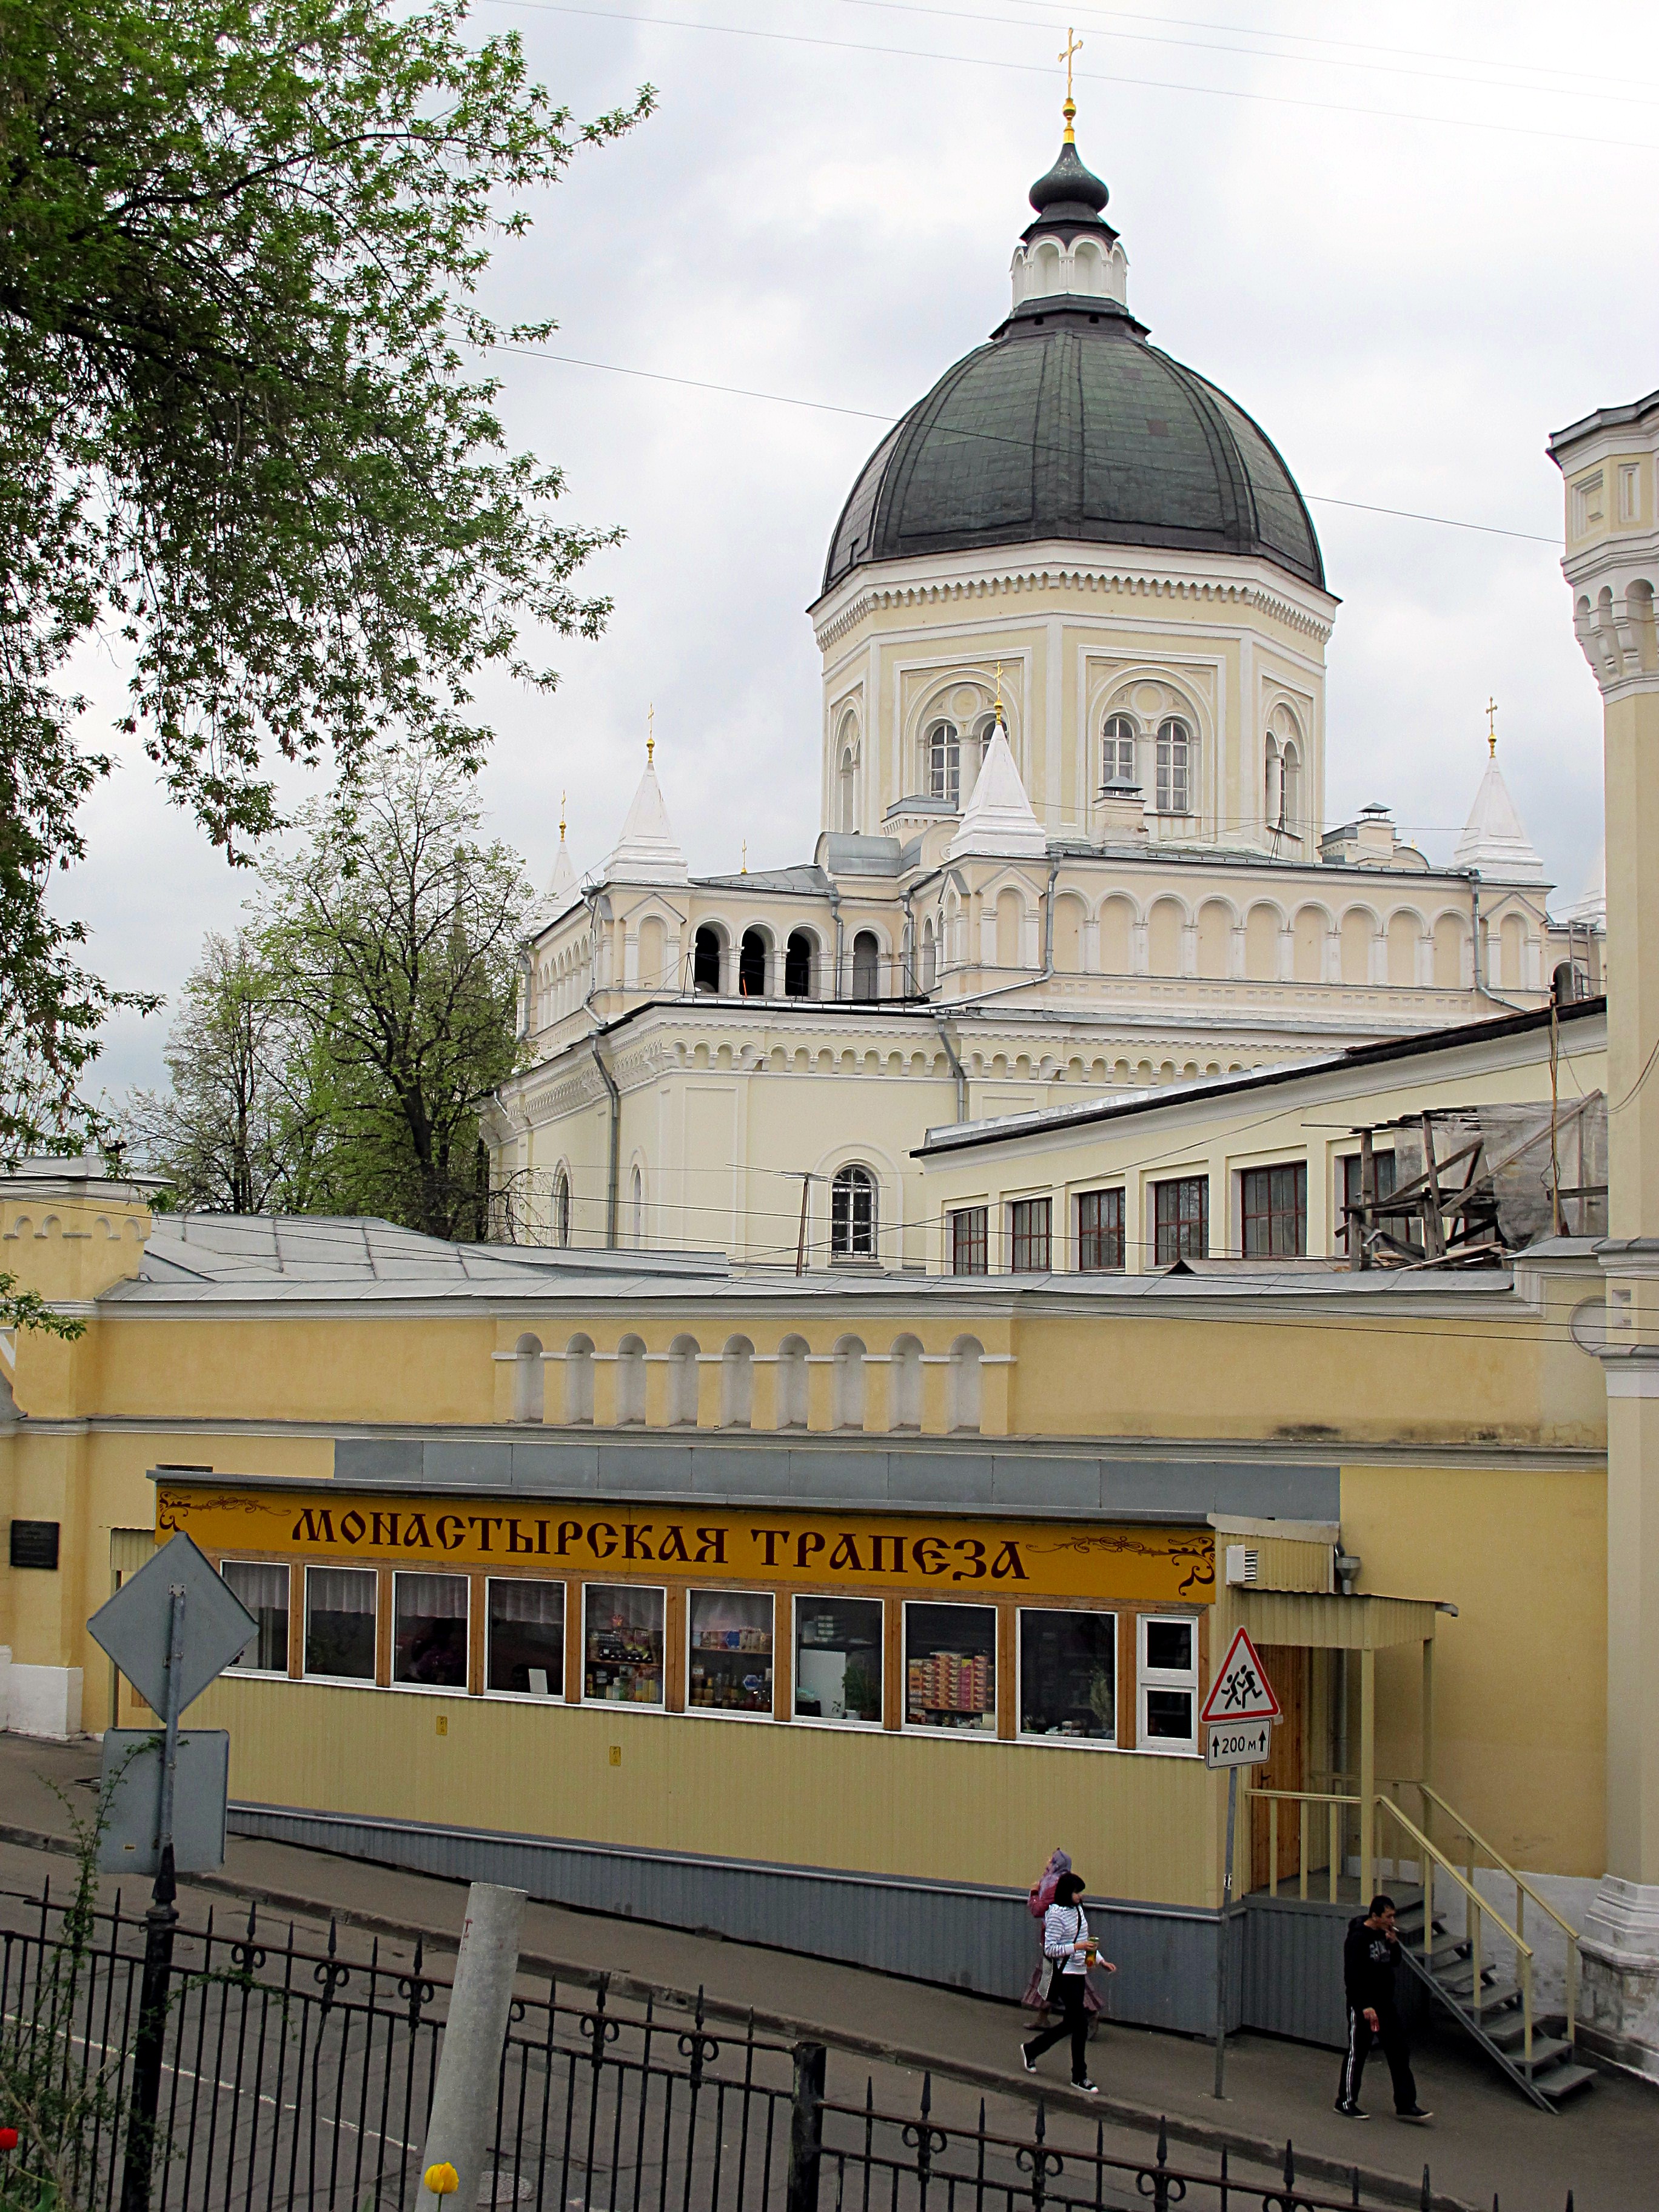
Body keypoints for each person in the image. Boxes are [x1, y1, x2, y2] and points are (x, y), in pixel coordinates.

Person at [1336, 1895, 1432, 2121]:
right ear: (1375, 1916)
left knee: (1399, 2051)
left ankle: (1406, 2103)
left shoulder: (1384, 1934)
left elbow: (1394, 1962)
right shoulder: (1357, 1939)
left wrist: (1393, 1942)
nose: (1392, 1920)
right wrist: (1363, 2005)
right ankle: (1345, 2101)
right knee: (1358, 2053)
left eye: (1393, 1916)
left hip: (1385, 2004)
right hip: (1365, 2006)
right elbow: (1352, 1975)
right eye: (1388, 1916)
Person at [1020, 1872, 1114, 2093]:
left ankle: (1032, 2049)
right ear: (1066, 1893)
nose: (1080, 1896)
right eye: (1076, 1892)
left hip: (1079, 1972)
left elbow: (1085, 1940)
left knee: (1071, 2024)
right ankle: (1079, 2076)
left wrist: (1101, 1961)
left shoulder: (1078, 1911)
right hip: (1063, 1974)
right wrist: (1077, 1949)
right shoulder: (1056, 1915)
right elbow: (1050, 1949)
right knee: (1080, 2024)